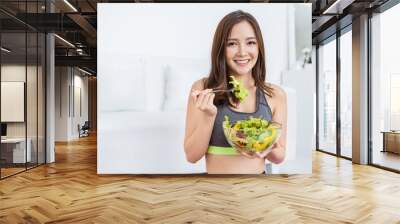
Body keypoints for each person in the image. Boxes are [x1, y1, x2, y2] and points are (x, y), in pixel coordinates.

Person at [184, 10, 287, 174]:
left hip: (259, 189)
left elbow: (280, 155)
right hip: (215, 191)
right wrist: (208, 117)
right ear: (221, 49)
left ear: (259, 46)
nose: (242, 52)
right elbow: (192, 155)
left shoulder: (275, 94)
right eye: (232, 43)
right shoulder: (202, 88)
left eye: (250, 42)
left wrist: (262, 144)